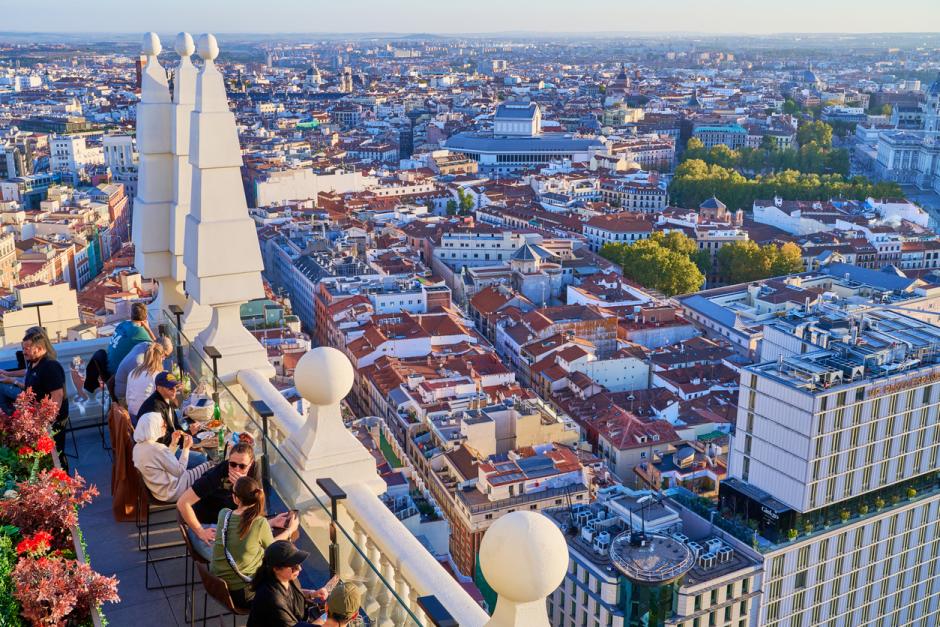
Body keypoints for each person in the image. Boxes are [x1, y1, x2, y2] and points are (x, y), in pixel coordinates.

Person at [177, 441, 289, 560]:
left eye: (242, 466)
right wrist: (200, 531)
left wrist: (243, 487)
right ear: (228, 461)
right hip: (208, 525)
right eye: (232, 464)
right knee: (237, 561)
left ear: (250, 464)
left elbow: (259, 503)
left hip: (233, 524)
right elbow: (182, 502)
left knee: (255, 555)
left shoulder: (254, 469)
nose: (236, 469)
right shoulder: (216, 475)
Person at [211, 476, 300, 608]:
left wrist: (271, 522)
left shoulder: (224, 514)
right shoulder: (259, 523)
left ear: (235, 498)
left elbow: (242, 531)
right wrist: (290, 530)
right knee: (285, 571)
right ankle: (299, 611)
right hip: (242, 594)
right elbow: (273, 550)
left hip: (217, 585)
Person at [0, 328, 69, 468]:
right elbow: (31, 387)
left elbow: (58, 396)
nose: (24, 351)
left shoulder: (50, 366)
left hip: (52, 421)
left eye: (27, 348)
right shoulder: (33, 362)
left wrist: (47, 421)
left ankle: (64, 486)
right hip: (37, 418)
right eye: (23, 348)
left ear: (39, 348)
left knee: (56, 457)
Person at [247, 541, 342, 627]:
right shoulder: (271, 598)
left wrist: (312, 593)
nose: (299, 568)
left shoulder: (287, 578)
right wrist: (325, 618)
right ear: (276, 569)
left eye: (298, 564)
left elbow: (291, 594)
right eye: (293, 566)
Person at [131, 411, 211, 502]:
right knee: (211, 465)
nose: (165, 427)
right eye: (162, 425)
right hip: (175, 490)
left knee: (205, 465)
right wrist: (186, 449)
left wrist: (173, 444)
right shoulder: (157, 448)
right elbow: (180, 471)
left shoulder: (137, 448)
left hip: (160, 491)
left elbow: (165, 462)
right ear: (154, 428)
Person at [114, 335, 172, 405]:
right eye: (165, 355)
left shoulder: (145, 345)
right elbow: (143, 389)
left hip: (131, 390)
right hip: (125, 399)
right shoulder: (138, 362)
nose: (164, 358)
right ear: (158, 350)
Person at [125, 341, 171, 417]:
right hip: (147, 418)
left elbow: (127, 400)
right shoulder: (157, 376)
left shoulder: (133, 372)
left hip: (132, 417)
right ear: (160, 358)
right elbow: (165, 403)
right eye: (163, 357)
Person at [107, 302, 155, 374]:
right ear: (146, 316)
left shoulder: (123, 324)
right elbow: (157, 347)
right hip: (117, 373)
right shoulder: (138, 331)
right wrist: (148, 329)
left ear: (131, 315)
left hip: (108, 366)